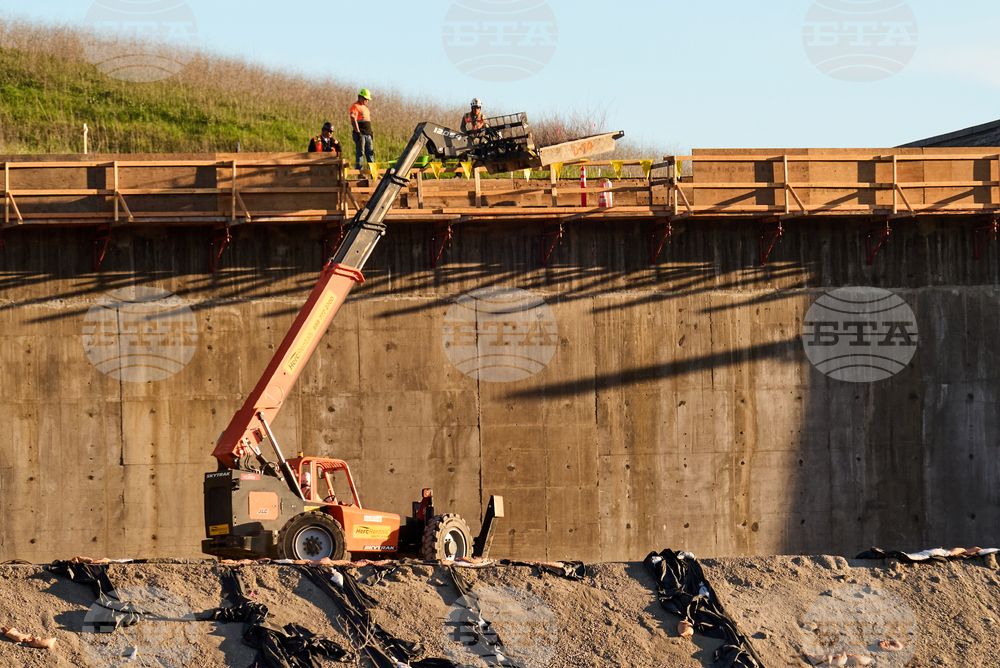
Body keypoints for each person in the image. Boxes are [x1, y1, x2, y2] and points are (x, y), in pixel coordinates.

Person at [350, 89, 375, 171]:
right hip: (361, 134)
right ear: (360, 97)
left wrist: (370, 133)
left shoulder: (365, 108)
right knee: (360, 153)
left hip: (368, 134)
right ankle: (359, 172)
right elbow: (353, 120)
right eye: (365, 99)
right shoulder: (355, 107)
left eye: (367, 99)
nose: (366, 101)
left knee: (370, 153)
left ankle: (373, 172)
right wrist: (358, 132)